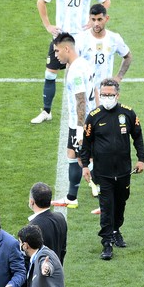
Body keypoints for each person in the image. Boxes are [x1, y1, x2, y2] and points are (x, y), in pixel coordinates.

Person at [31, 0, 109, 125]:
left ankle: (91, 111)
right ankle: (46, 111)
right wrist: (47, 25)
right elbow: (41, 1)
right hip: (61, 37)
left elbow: (106, 1)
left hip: (81, 38)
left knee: (80, 74)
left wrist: (93, 21)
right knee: (50, 74)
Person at [78, 78, 144, 259]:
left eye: (110, 94)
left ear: (118, 95)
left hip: (124, 171)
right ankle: (106, 243)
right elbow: (86, 143)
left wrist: (141, 159)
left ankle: (116, 230)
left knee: (121, 202)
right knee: (106, 206)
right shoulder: (94, 116)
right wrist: (85, 166)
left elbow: (138, 137)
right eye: (104, 94)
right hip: (102, 172)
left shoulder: (128, 114)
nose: (107, 97)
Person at [51, 32, 93, 209]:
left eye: (57, 51)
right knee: (71, 154)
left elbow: (81, 99)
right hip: (80, 121)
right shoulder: (83, 63)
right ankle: (71, 197)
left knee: (84, 159)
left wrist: (79, 129)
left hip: (80, 123)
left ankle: (106, 192)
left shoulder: (75, 70)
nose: (55, 55)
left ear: (66, 48)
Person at [75, 4, 132, 112]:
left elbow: (128, 56)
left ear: (106, 19)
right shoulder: (81, 39)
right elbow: (72, 65)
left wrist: (118, 77)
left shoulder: (114, 38)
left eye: (99, 19)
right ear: (89, 19)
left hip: (106, 94)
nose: (96, 23)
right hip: (85, 90)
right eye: (93, 20)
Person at [27, 182, 68, 264]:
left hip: (41, 275)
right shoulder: (60, 217)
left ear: (32, 201)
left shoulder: (32, 228)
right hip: (57, 270)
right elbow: (63, 249)